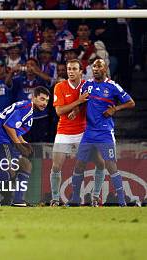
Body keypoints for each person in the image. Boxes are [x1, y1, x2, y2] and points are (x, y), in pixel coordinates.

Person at [72, 59, 135, 207]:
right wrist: (75, 110)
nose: (95, 68)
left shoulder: (112, 86)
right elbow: (81, 103)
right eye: (94, 66)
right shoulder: (86, 85)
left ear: (105, 68)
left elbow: (131, 102)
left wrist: (115, 109)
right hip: (88, 132)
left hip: (105, 132)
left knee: (111, 165)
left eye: (99, 66)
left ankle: (121, 201)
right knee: (79, 165)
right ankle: (75, 199)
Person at [49, 59, 104, 206]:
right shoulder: (60, 86)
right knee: (56, 167)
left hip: (83, 133)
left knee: (100, 163)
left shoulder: (88, 86)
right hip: (64, 132)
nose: (70, 72)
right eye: (69, 69)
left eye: (74, 69)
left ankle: (95, 197)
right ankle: (55, 199)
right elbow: (59, 111)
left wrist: (78, 108)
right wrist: (78, 102)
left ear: (81, 71)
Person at [0, 86, 51, 206]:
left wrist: (23, 142)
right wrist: (19, 146)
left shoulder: (27, 109)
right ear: (34, 97)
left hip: (2, 140)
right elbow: (8, 126)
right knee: (10, 169)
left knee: (26, 165)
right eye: (42, 99)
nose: (44, 103)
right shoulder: (26, 109)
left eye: (46, 101)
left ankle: (18, 200)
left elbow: (16, 128)